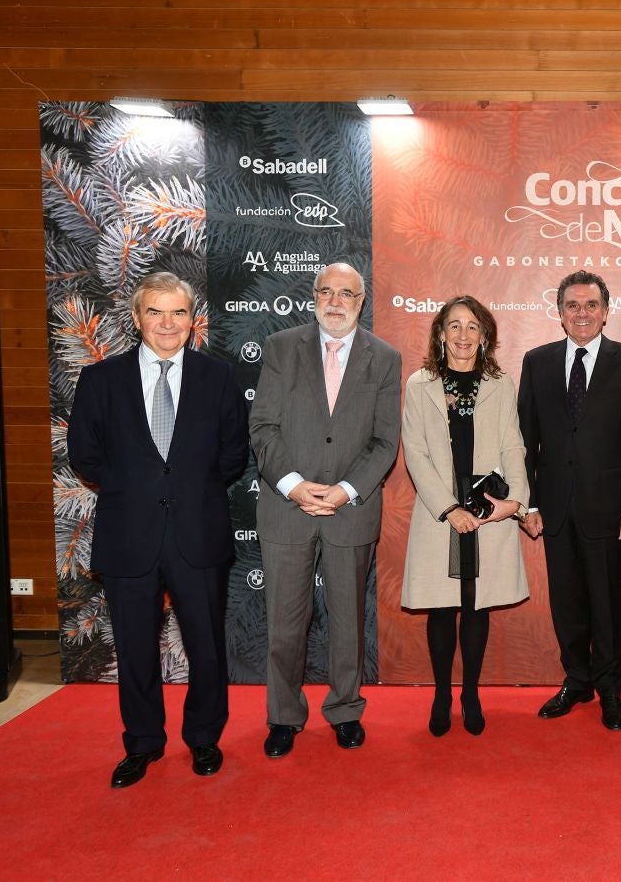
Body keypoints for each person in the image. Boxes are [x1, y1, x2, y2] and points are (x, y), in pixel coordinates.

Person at [67, 271, 249, 788]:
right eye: (156, 312)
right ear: (137, 317)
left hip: (199, 532)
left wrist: (192, 489)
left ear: (193, 320)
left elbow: (234, 452)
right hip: (129, 534)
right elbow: (85, 453)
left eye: (178, 312)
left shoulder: (218, 377)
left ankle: (204, 738)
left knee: (207, 644)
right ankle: (143, 742)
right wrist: (135, 489)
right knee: (133, 645)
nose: (167, 323)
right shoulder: (101, 380)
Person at [250, 262, 401, 758]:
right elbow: (264, 428)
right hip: (285, 507)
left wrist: (345, 490)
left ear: (362, 302)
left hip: (350, 509)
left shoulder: (384, 358)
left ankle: (345, 710)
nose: (335, 302)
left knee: (347, 620)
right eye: (326, 292)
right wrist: (294, 487)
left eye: (347, 294)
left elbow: (384, 440)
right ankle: (284, 716)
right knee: (285, 623)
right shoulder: (280, 349)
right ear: (313, 295)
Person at [519, 270, 621, 731]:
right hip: (555, 509)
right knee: (567, 602)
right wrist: (530, 504)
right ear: (559, 314)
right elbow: (526, 443)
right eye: (572, 306)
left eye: (591, 305)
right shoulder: (536, 362)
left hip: (611, 510)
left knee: (607, 603)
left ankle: (611, 689)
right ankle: (576, 680)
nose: (582, 313)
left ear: (606, 312)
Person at [401, 296, 529, 737]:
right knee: (442, 608)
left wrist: (515, 503)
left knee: (477, 607)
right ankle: (441, 693)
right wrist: (449, 508)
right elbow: (414, 452)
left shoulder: (499, 382)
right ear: (440, 334)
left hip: (486, 511)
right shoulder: (420, 384)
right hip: (441, 514)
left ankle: (470, 692)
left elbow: (514, 445)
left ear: (485, 335)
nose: (462, 335)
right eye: (453, 326)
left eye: (472, 326)